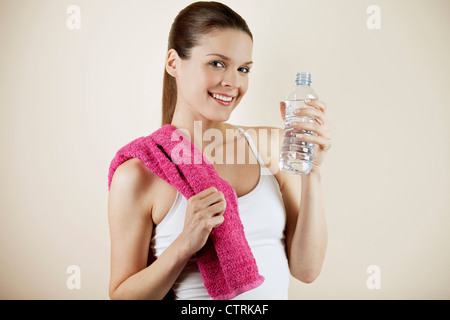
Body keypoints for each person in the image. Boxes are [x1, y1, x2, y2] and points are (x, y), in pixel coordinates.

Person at [107, 1, 332, 300]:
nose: (233, 82)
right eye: (217, 63)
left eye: (243, 69)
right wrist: (184, 244)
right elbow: (122, 295)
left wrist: (312, 174)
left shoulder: (270, 146)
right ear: (174, 63)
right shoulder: (137, 175)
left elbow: (307, 270)